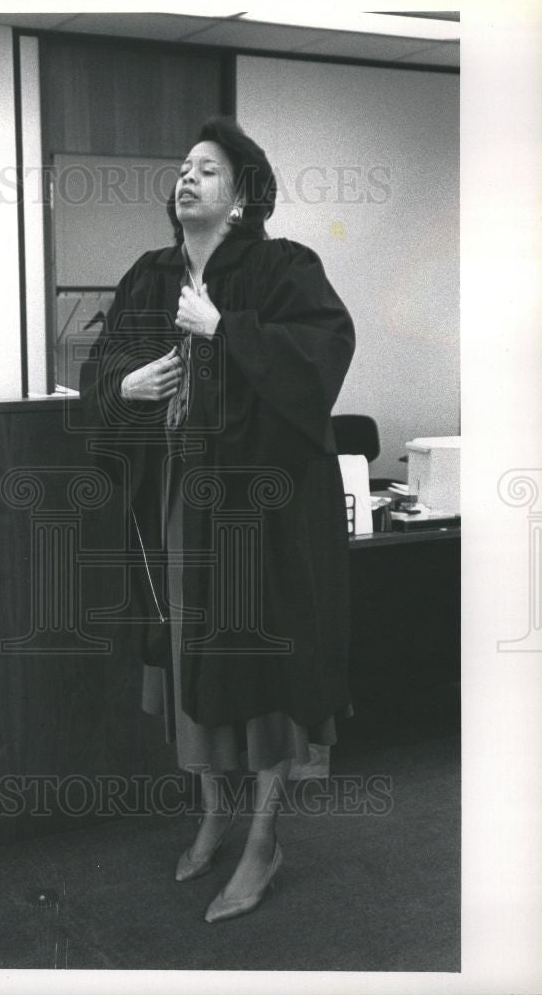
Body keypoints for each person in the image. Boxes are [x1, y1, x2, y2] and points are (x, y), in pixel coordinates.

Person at [78, 116, 355, 923]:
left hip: (262, 512)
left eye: (208, 168)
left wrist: (224, 328)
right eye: (183, 169)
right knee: (186, 651)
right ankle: (212, 814)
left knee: (262, 664)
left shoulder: (283, 268)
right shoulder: (150, 275)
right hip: (176, 498)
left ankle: (264, 840)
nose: (187, 177)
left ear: (243, 193)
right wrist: (122, 388)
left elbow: (321, 361)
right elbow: (102, 374)